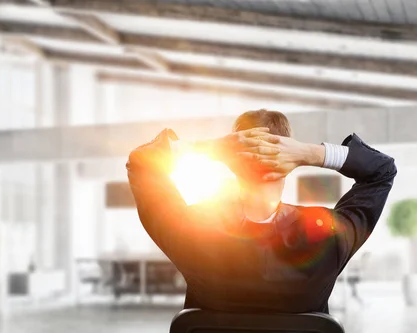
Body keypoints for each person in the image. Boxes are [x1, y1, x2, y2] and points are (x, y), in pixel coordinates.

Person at [126, 109, 396, 314]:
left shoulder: (193, 230)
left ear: (231, 162)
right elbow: (381, 171)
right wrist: (310, 153)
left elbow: (142, 163)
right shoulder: (328, 235)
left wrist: (213, 148)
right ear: (290, 161)